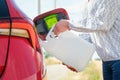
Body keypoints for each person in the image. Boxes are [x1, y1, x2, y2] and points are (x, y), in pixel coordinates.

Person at [53, 0, 120, 80]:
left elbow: (102, 23)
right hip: (106, 61)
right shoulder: (88, 3)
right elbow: (89, 33)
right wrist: (72, 57)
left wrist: (68, 24)